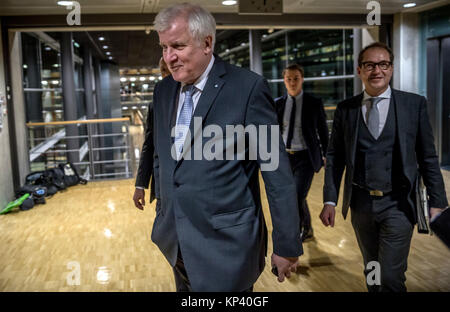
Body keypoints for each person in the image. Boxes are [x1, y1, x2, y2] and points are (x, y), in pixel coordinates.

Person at [140, 3, 302, 292]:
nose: (169, 57)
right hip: (175, 241)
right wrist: (163, 210)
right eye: (164, 47)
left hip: (227, 248)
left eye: (177, 45)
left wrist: (287, 243)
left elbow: (276, 172)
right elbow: (161, 157)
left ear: (207, 43)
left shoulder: (247, 88)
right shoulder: (163, 91)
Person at [320, 42, 448, 292]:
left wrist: (438, 200)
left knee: (390, 276)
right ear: (359, 70)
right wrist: (330, 200)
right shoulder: (346, 110)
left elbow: (428, 157)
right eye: (369, 65)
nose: (376, 70)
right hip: (361, 205)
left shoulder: (414, 105)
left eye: (383, 64)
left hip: (399, 204)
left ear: (391, 69)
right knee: (372, 270)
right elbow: (335, 157)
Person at [275, 64, 329, 241]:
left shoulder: (314, 103)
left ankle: (295, 232)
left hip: (305, 157)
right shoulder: (277, 104)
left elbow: (322, 131)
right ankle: (307, 227)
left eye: (295, 78)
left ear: (302, 79)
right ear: (284, 80)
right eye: (288, 79)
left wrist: (327, 155)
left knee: (296, 195)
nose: (292, 82)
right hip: (284, 158)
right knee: (297, 195)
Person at [133, 56, 171, 209]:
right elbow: (149, 145)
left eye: (170, 70)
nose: (166, 75)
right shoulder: (154, 105)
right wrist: (140, 185)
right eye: (163, 71)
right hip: (162, 187)